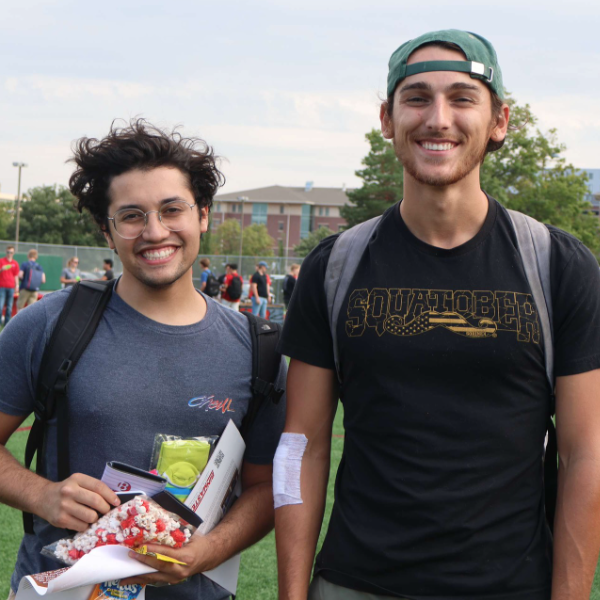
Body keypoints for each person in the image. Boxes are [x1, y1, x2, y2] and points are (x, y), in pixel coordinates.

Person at [275, 30, 600, 600]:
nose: (438, 118)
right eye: (417, 97)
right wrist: (292, 594)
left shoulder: (557, 264)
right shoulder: (336, 266)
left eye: (462, 97)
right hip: (357, 583)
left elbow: (585, 454)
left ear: (499, 121)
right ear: (387, 118)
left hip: (510, 586)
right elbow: (301, 445)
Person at [0, 119, 287, 600]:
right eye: (131, 216)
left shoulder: (259, 348)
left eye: (172, 209)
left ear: (202, 216)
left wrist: (207, 552)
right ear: (107, 232)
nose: (155, 231)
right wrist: (43, 495)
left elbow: (263, 489)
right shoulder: (47, 325)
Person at [0, 246, 19, 326]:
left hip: (11, 287)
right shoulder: (1, 261)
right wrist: (1, 269)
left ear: (13, 253)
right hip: (2, 286)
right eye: (8, 252)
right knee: (0, 305)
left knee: (9, 306)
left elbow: (16, 276)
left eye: (11, 252)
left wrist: (17, 285)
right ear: (6, 252)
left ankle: (7, 324)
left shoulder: (15, 263)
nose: (9, 254)